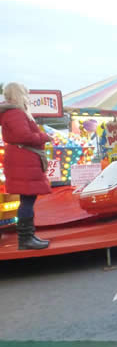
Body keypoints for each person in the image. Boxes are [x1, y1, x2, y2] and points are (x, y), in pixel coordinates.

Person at [0, 82, 51, 250]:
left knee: (27, 199)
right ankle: (26, 239)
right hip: (24, 159)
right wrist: (43, 137)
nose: (27, 97)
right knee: (28, 199)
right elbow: (24, 136)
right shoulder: (16, 112)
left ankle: (28, 237)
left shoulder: (10, 112)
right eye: (25, 93)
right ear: (19, 94)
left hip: (21, 158)